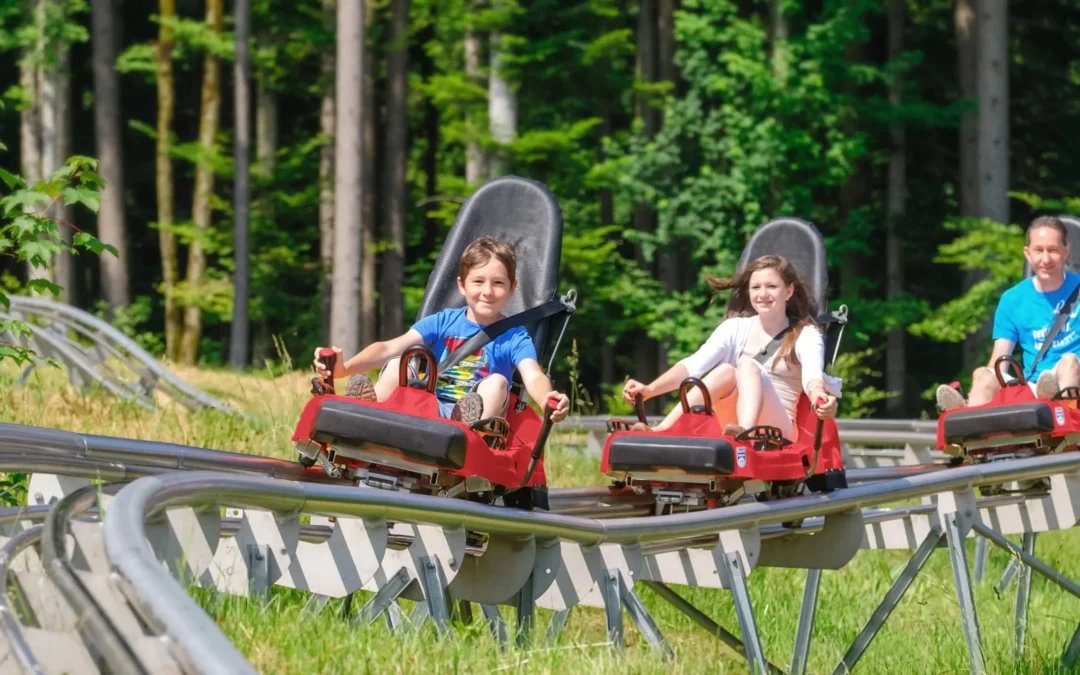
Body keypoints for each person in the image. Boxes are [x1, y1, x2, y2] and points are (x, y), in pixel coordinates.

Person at [313, 236, 570, 426]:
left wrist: (549, 398)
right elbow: (390, 347)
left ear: (512, 288)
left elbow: (533, 375)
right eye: (478, 281)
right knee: (396, 363)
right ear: (462, 285)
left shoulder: (515, 336)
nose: (488, 291)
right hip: (428, 407)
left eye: (498, 283)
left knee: (497, 382)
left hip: (476, 417)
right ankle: (371, 416)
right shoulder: (443, 321)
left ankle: (470, 430)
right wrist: (345, 368)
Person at [622, 254, 840, 438]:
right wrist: (649, 390)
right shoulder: (734, 328)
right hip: (730, 422)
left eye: (772, 286)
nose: (762, 294)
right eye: (756, 287)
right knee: (726, 372)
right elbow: (693, 366)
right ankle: (661, 431)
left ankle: (744, 434)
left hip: (778, 428)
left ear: (789, 291)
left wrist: (820, 399)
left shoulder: (806, 334)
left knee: (748, 367)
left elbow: (812, 378)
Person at [937, 215, 1080, 410]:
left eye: (1053, 250)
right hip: (1032, 383)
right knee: (982, 374)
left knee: (1069, 362)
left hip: (1072, 377)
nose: (1045, 259)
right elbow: (1000, 360)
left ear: (1066, 251)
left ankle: (1063, 413)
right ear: (1028, 254)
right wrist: (986, 381)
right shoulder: (1012, 300)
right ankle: (968, 417)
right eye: (1039, 250)